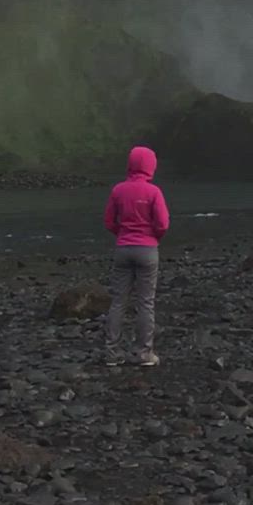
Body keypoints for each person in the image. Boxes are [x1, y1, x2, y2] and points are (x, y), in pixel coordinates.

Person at [103, 145, 169, 367]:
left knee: (118, 302)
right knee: (145, 303)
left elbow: (109, 221)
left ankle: (112, 354)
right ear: (151, 166)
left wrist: (122, 234)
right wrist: (153, 238)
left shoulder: (118, 190)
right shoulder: (154, 192)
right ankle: (144, 354)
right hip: (147, 250)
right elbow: (163, 224)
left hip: (123, 249)